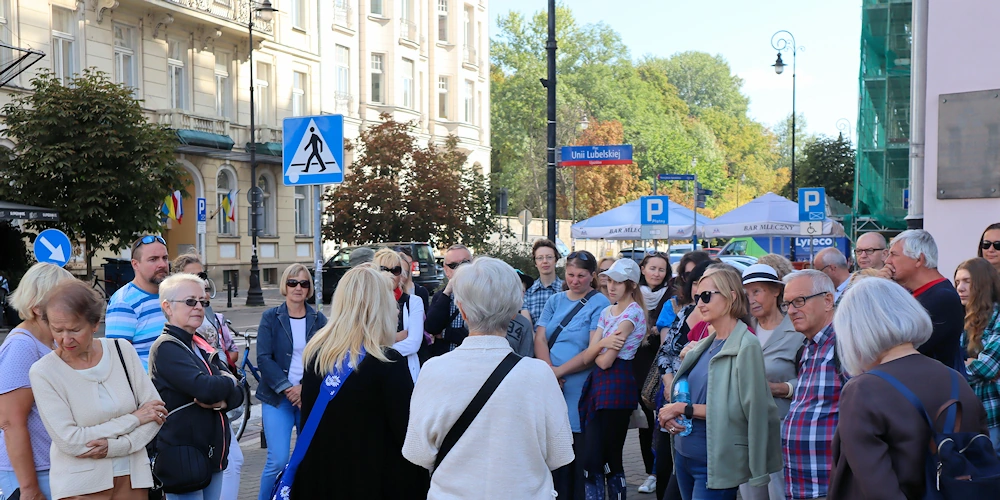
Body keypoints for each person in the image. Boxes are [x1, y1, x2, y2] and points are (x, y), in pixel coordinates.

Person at [404, 258, 574, 499]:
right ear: (515, 308)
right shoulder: (539, 374)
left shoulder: (433, 370)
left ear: (461, 309)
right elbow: (561, 454)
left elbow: (418, 453)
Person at [827, 278, 989, 499]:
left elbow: (877, 488)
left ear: (855, 332)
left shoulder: (863, 390)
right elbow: (980, 461)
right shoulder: (955, 379)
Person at [290, 266, 428, 499]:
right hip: (372, 483)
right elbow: (408, 439)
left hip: (320, 481)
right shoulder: (387, 362)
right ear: (378, 308)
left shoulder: (317, 355)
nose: (396, 310)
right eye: (390, 302)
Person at [30, 280, 164, 500]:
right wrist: (134, 419)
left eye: (74, 329)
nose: (65, 339)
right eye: (57, 330)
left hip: (134, 480)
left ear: (94, 324)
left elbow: (155, 414)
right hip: (80, 488)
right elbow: (70, 441)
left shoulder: (122, 351)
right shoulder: (44, 372)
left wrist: (116, 446)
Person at [658, 265, 781, 500]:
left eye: (706, 296)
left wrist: (682, 409)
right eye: (697, 297)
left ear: (731, 296)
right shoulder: (706, 342)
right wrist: (673, 412)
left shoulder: (746, 345)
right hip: (685, 456)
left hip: (715, 462)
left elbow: (746, 410)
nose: (700, 303)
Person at [149, 273, 243, 500]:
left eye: (203, 302)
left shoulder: (199, 344)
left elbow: (239, 390)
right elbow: (205, 388)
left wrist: (225, 395)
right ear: (168, 307)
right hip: (183, 457)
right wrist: (228, 383)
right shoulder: (166, 348)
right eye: (190, 301)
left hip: (211, 452)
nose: (199, 307)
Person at [533, 250, 612, 500]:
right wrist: (549, 373)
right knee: (553, 455)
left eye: (581, 276)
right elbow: (541, 338)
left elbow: (592, 350)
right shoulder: (555, 300)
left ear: (592, 276)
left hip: (579, 386)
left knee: (577, 455)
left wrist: (559, 372)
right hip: (552, 384)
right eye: (570, 275)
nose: (575, 280)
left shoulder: (600, 303)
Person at [254, 264, 328, 500]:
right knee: (278, 460)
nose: (298, 288)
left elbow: (326, 357)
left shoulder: (318, 319)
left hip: (309, 397)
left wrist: (305, 388)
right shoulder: (270, 317)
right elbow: (264, 358)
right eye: (293, 283)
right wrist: (288, 389)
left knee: (308, 458)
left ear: (309, 289)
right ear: (285, 286)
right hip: (278, 398)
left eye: (304, 283)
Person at [0, 263, 73, 500]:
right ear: (38, 303)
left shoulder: (49, 342)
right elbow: (11, 422)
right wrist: (29, 489)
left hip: (52, 467)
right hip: (32, 474)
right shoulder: (22, 346)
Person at [576, 258, 647, 498]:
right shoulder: (607, 311)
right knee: (592, 456)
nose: (611, 286)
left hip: (617, 384)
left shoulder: (633, 313)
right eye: (609, 281)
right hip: (600, 384)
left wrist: (599, 346)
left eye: (619, 282)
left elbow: (604, 360)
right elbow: (588, 355)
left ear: (632, 284)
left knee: (610, 457)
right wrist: (604, 344)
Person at [738, 264, 804, 500]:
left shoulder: (797, 330)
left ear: (776, 291)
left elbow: (812, 379)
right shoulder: (742, 330)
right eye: (747, 295)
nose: (751, 300)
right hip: (745, 430)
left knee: (780, 493)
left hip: (781, 428)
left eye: (757, 292)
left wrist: (783, 388)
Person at [653, 258, 713, 500]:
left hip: (697, 410)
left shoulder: (725, 325)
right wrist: (669, 384)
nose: (700, 288)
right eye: (697, 281)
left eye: (707, 283)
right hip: (671, 399)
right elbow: (665, 352)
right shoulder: (685, 311)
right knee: (666, 465)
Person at [781, 270, 843, 500]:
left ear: (828, 300)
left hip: (829, 486)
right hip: (802, 484)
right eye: (787, 304)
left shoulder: (845, 345)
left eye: (799, 301)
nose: (791, 310)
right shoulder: (809, 346)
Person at [880, 229, 965, 373]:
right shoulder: (921, 294)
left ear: (919, 259)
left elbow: (899, 347)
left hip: (932, 390)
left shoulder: (942, 298)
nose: (887, 261)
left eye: (893, 254)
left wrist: (880, 292)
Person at [634, 252, 673, 494]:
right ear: (643, 269)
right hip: (639, 364)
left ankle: (662, 471)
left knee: (662, 420)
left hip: (661, 364)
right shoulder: (634, 294)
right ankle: (650, 472)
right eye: (652, 268)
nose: (656, 273)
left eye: (661, 269)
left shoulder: (671, 296)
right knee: (646, 423)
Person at [955, 257, 1000, 449]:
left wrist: (962, 364)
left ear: (982, 284)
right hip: (965, 413)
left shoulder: (997, 316)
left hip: (991, 413)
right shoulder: (960, 317)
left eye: (967, 281)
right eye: (957, 282)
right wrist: (965, 362)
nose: (960, 288)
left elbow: (986, 367)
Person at [106, 235, 170, 371]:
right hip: (149, 388)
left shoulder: (172, 294)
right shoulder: (124, 302)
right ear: (135, 264)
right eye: (153, 259)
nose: (162, 264)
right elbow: (118, 361)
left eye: (165, 258)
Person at [374, 248, 424, 383]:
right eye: (383, 269)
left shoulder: (413, 302)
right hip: (374, 372)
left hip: (405, 370)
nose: (390, 275)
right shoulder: (368, 303)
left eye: (395, 270)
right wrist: (395, 337)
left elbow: (413, 344)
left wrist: (377, 347)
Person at [425, 245, 473, 357]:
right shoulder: (441, 296)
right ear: (446, 270)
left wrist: (445, 333)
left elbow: (480, 333)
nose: (460, 269)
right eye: (454, 265)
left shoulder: (483, 295)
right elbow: (431, 327)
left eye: (465, 263)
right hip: (446, 361)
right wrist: (446, 293)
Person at [522, 240, 565, 327]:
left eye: (549, 257)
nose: (545, 261)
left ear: (556, 260)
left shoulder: (566, 289)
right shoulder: (528, 293)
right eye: (540, 258)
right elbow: (528, 327)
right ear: (535, 263)